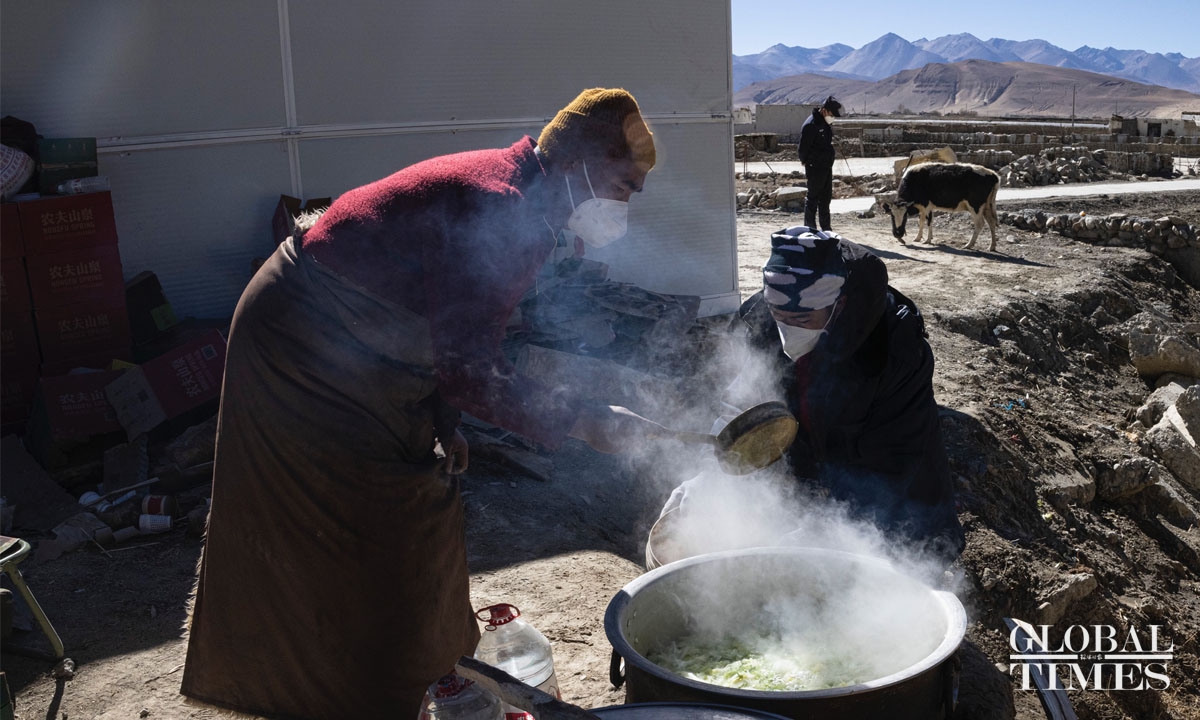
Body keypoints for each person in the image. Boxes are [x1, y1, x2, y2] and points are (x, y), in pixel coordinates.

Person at [181, 88, 667, 720]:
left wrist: (445, 420)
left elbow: (457, 335)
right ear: (578, 168)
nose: (635, 197)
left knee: (415, 510)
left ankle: (388, 685)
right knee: (357, 530)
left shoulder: (530, 207)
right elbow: (468, 368)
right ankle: (340, 695)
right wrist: (581, 419)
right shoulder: (503, 206)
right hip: (300, 344)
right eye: (627, 183)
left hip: (364, 351)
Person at [733, 226, 964, 561]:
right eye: (779, 316)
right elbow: (741, 396)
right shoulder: (763, 316)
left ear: (837, 305)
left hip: (900, 498)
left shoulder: (893, 348)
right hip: (821, 482)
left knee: (894, 580)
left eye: (801, 319)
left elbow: (893, 459)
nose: (787, 330)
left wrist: (826, 527)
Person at [797, 95, 842, 232]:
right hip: (815, 167)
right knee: (813, 199)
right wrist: (806, 161)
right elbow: (803, 148)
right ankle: (810, 229)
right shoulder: (811, 125)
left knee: (825, 199)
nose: (833, 117)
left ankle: (826, 229)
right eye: (832, 114)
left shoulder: (824, 123)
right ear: (824, 110)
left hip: (826, 167)